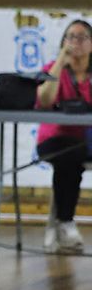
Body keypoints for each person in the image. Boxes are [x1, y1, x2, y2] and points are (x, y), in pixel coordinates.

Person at [35, 18, 92, 254]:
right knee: (69, 157)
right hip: (54, 139)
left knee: (74, 157)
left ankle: (61, 224)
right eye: (70, 37)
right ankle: (65, 222)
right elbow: (45, 100)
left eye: (82, 37)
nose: (75, 42)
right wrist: (60, 61)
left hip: (86, 141)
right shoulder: (52, 69)